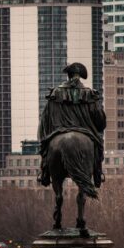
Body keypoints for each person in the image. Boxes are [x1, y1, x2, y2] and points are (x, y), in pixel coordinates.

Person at [37, 62, 105, 190]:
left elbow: (45, 119)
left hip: (59, 130)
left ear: (68, 76)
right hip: (86, 131)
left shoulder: (55, 93)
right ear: (80, 76)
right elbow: (100, 121)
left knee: (46, 147)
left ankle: (44, 172)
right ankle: (97, 173)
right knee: (98, 147)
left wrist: (47, 135)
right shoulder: (90, 94)